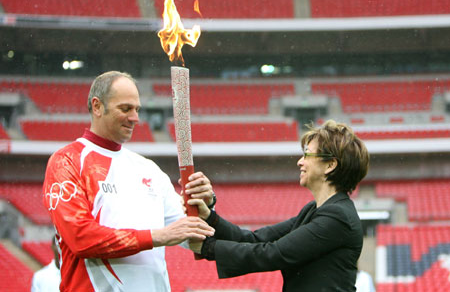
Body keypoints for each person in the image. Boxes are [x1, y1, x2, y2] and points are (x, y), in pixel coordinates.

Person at [43, 71, 215, 292]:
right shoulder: (67, 161)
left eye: (137, 109)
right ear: (97, 106)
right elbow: (80, 238)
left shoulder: (149, 169)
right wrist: (158, 236)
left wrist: (205, 208)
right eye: (125, 109)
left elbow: (195, 240)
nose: (135, 118)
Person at [188, 120, 370, 291]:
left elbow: (275, 254)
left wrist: (208, 248)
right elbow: (257, 239)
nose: (300, 161)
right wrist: (209, 217)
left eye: (307, 154)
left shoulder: (337, 217)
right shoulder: (314, 211)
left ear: (330, 165)